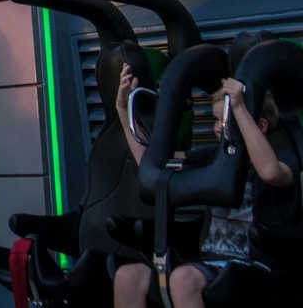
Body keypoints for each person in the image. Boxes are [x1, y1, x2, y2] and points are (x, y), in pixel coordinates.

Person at [112, 64, 299, 308]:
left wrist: (240, 107)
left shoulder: (282, 157)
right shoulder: (214, 157)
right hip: (210, 261)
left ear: (260, 126)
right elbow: (151, 166)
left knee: (183, 280)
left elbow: (271, 172)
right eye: (216, 121)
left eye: (225, 122)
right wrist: (124, 110)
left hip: (258, 264)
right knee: (128, 277)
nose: (218, 128)